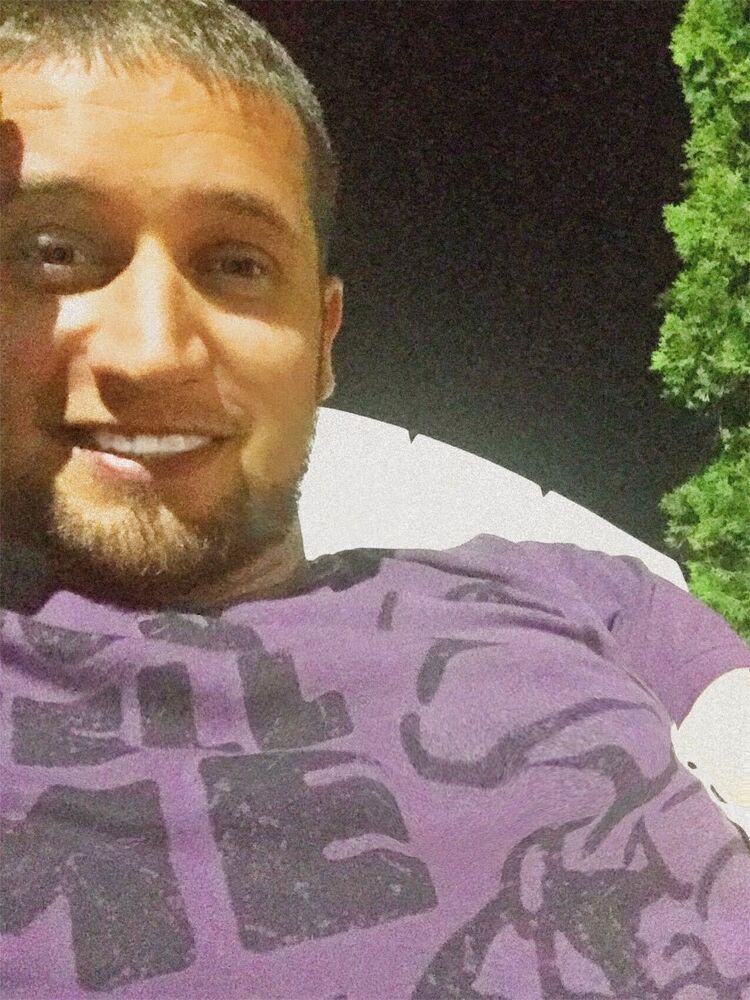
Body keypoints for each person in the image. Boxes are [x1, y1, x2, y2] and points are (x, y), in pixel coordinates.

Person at [0, 3, 748, 998]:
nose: (152, 352)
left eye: (236, 264)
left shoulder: (576, 595)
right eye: (52, 251)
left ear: (324, 339)